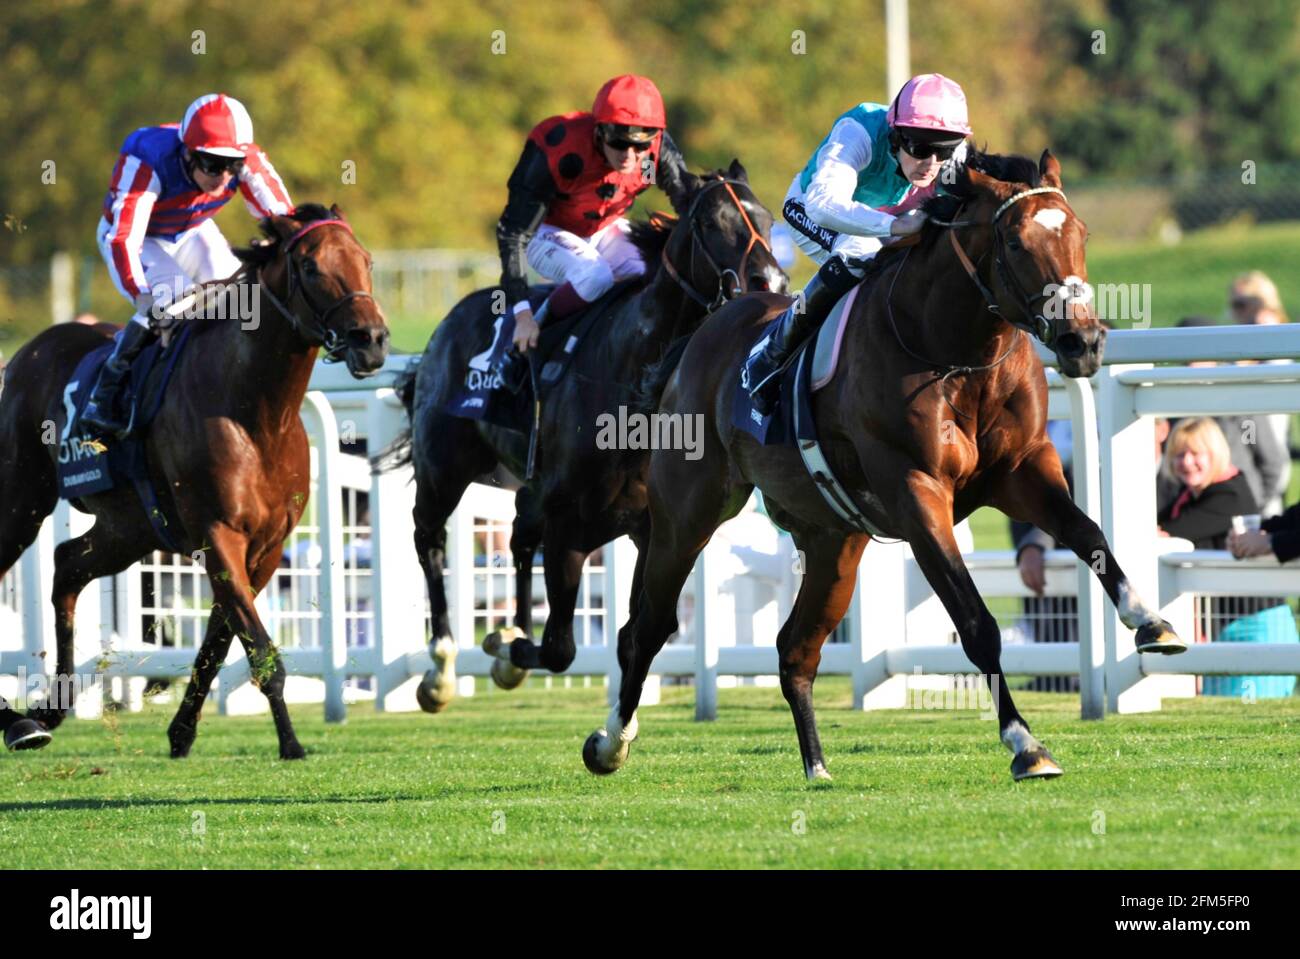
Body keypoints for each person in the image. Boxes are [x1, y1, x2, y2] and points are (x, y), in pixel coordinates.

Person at [743, 73, 971, 414]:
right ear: (895, 135)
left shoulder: (954, 152)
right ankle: (771, 354)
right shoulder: (858, 131)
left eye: (944, 152)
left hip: (876, 221)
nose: (931, 164)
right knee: (859, 252)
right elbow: (822, 204)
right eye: (921, 148)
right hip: (808, 211)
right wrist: (894, 225)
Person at [82, 93, 295, 436]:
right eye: (212, 164)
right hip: (138, 237)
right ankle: (105, 392)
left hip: (192, 230)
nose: (224, 177)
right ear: (188, 152)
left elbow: (287, 221)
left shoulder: (247, 161)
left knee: (244, 303)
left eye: (232, 166)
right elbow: (124, 239)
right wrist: (143, 296)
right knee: (175, 301)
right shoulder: (148, 156)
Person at [493, 74, 692, 387]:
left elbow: (687, 201)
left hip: (605, 227)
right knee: (594, 275)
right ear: (598, 131)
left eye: (639, 144)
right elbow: (513, 233)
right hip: (546, 232)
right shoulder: (559, 148)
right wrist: (521, 314)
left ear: (653, 137)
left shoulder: (654, 154)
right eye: (618, 141)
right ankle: (527, 340)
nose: (629, 154)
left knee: (653, 273)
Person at [1170, 316, 1289, 516]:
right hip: (1193, 511)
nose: (1192, 364)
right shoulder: (1172, 404)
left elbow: (1270, 461)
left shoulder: (1241, 403)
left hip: (1238, 509)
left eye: (1199, 355)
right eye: (1187, 356)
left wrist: (1254, 503)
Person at [1227, 271, 1292, 513]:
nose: (1236, 311)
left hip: (1265, 422)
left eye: (1241, 304)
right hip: (1251, 422)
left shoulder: (1268, 330)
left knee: (1269, 487)